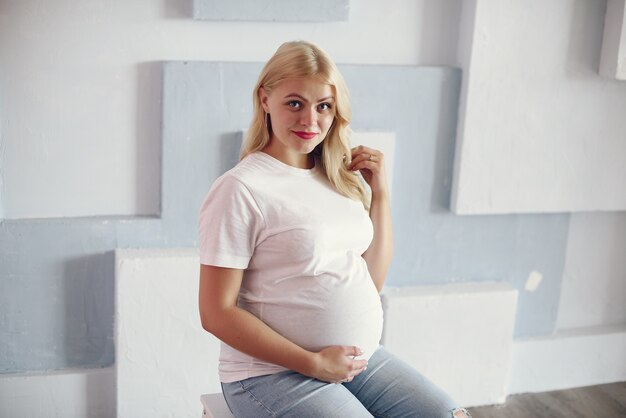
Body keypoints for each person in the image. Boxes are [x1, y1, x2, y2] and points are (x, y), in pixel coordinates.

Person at [198, 40, 470, 418]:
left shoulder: (335, 178)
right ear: (265, 99)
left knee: (450, 416)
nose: (310, 120)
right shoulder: (241, 189)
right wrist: (312, 363)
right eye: (295, 103)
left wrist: (382, 194)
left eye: (323, 106)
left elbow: (369, 282)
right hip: (268, 375)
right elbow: (216, 312)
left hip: (356, 363)